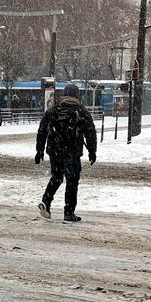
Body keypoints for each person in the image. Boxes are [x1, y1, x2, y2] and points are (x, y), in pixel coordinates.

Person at [36, 84, 97, 222]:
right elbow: (90, 133)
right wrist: (92, 152)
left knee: (57, 176)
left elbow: (42, 131)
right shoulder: (82, 112)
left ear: (64, 95)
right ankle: (69, 212)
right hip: (72, 152)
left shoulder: (53, 111)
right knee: (72, 181)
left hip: (54, 151)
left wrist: (39, 150)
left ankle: (46, 201)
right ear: (77, 96)